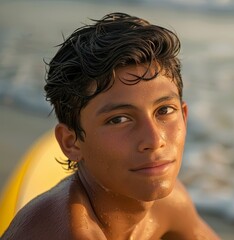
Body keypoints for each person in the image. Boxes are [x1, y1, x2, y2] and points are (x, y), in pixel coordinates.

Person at [1, 12, 220, 239]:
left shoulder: (168, 203)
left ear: (184, 116)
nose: (154, 140)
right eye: (119, 119)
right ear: (71, 142)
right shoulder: (73, 232)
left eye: (164, 111)